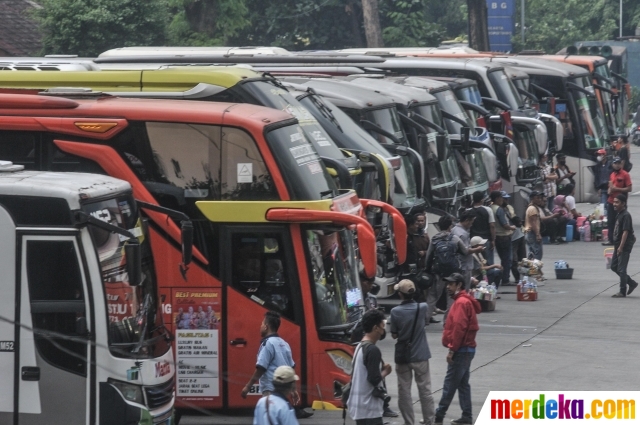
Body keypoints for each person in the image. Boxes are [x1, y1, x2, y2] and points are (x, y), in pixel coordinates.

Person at [242, 312, 313, 419]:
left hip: (270, 390)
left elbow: (260, 368)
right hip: (282, 391)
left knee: (269, 418)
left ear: (266, 327)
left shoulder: (267, 344)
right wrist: (293, 390)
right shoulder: (284, 343)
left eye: (262, 324)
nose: (260, 326)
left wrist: (248, 387)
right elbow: (291, 369)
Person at [434, 273, 481, 425]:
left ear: (459, 285)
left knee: (450, 384)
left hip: (461, 350)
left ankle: (438, 415)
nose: (448, 287)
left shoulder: (461, 303)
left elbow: (459, 328)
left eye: (451, 284)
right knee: (462, 383)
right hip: (466, 349)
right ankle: (466, 416)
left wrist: (452, 350)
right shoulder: (463, 301)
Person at [390, 280, 435, 425]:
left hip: (403, 357)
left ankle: (409, 422)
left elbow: (394, 335)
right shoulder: (422, 307)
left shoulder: (395, 312)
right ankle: (429, 421)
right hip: (421, 355)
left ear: (400, 294)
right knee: (425, 390)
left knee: (404, 391)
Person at [348, 309, 392, 425]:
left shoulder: (360, 345)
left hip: (360, 406)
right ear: (375, 328)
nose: (384, 330)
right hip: (369, 408)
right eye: (382, 326)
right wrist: (386, 372)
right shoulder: (373, 350)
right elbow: (374, 379)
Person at [425, 215, 473, 321]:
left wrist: (428, 270)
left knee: (433, 296)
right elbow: (465, 252)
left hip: (439, 273)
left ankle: (425, 319)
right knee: (451, 297)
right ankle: (448, 321)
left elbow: (429, 256)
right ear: (450, 227)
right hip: (453, 273)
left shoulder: (434, 239)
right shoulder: (454, 238)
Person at [611, 194, 638, 298]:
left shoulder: (626, 215)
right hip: (617, 245)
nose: (614, 204)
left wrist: (621, 247)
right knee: (614, 266)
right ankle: (631, 283)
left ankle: (622, 291)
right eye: (614, 202)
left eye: (617, 202)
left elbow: (625, 232)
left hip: (623, 246)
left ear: (623, 203)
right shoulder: (619, 214)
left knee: (622, 269)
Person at [451, 210, 485, 290]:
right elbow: (465, 251)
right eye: (471, 222)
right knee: (464, 289)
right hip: (464, 265)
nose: (472, 224)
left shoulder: (454, 229)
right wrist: (477, 249)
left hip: (457, 264)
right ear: (467, 220)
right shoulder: (463, 233)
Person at [604, 157, 632, 246]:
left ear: (621, 164)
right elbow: (610, 187)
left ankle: (621, 240)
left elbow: (629, 188)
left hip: (621, 203)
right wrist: (609, 190)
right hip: (611, 201)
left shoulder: (625, 174)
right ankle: (611, 239)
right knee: (611, 221)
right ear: (612, 164)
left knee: (621, 222)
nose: (617, 165)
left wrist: (617, 189)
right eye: (615, 163)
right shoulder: (612, 174)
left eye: (619, 163)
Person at [490, 191, 515, 285]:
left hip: (497, 237)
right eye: (501, 198)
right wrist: (512, 227)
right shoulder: (499, 209)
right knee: (507, 259)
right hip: (504, 236)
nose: (502, 200)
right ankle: (505, 279)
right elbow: (504, 224)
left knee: (503, 258)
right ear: (496, 199)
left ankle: (503, 277)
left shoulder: (490, 208)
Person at [469, 191, 495, 265]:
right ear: (482, 200)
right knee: (489, 263)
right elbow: (492, 226)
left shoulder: (468, 211)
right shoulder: (488, 210)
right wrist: (493, 240)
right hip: (486, 240)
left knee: (478, 263)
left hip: (474, 242)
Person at [523, 191, 543, 260]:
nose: (539, 199)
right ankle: (536, 269)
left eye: (540, 198)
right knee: (537, 254)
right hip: (532, 233)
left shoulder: (533, 208)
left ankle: (531, 270)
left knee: (531, 254)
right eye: (537, 198)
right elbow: (533, 222)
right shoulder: (532, 209)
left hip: (529, 233)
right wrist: (537, 234)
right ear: (532, 199)